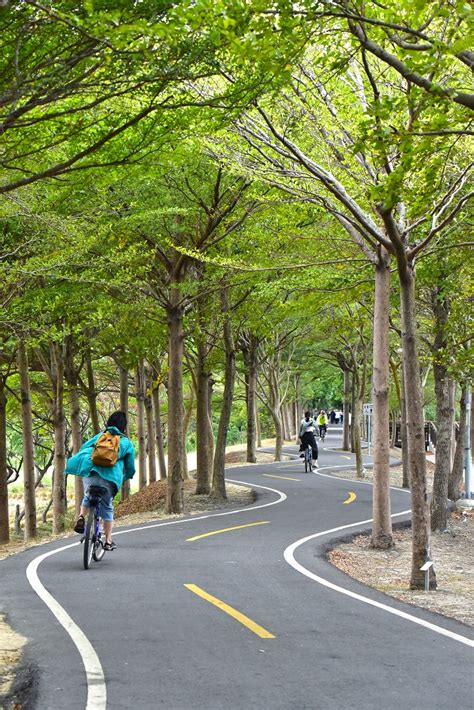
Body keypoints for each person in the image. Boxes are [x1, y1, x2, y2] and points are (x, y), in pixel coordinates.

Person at [65, 411, 136, 551]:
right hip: (110, 479)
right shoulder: (126, 443)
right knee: (107, 507)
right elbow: (130, 466)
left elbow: (83, 449)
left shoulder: (99, 437)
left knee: (88, 495)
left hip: (90, 473)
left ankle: (81, 517)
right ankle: (108, 541)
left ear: (108, 423)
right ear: (124, 427)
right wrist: (127, 476)